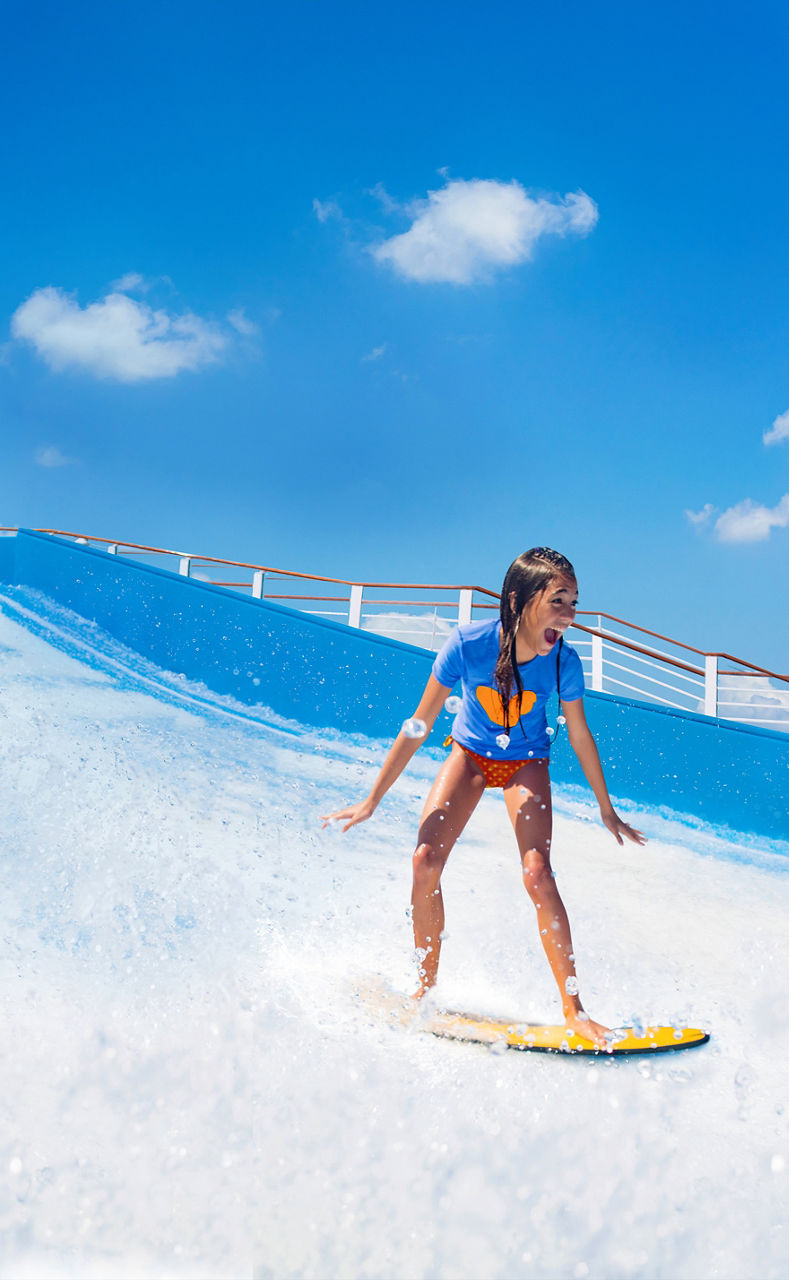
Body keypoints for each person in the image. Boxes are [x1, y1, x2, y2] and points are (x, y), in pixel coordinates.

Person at [322, 547, 645, 1044]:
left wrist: (606, 808)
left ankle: (575, 1010)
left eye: (574, 602)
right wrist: (372, 799)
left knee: (538, 873)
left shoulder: (564, 661)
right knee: (424, 860)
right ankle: (423, 991)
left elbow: (579, 735)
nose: (569, 614)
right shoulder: (467, 645)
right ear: (519, 600)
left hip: (527, 762)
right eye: (559, 600)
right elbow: (420, 723)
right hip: (471, 755)